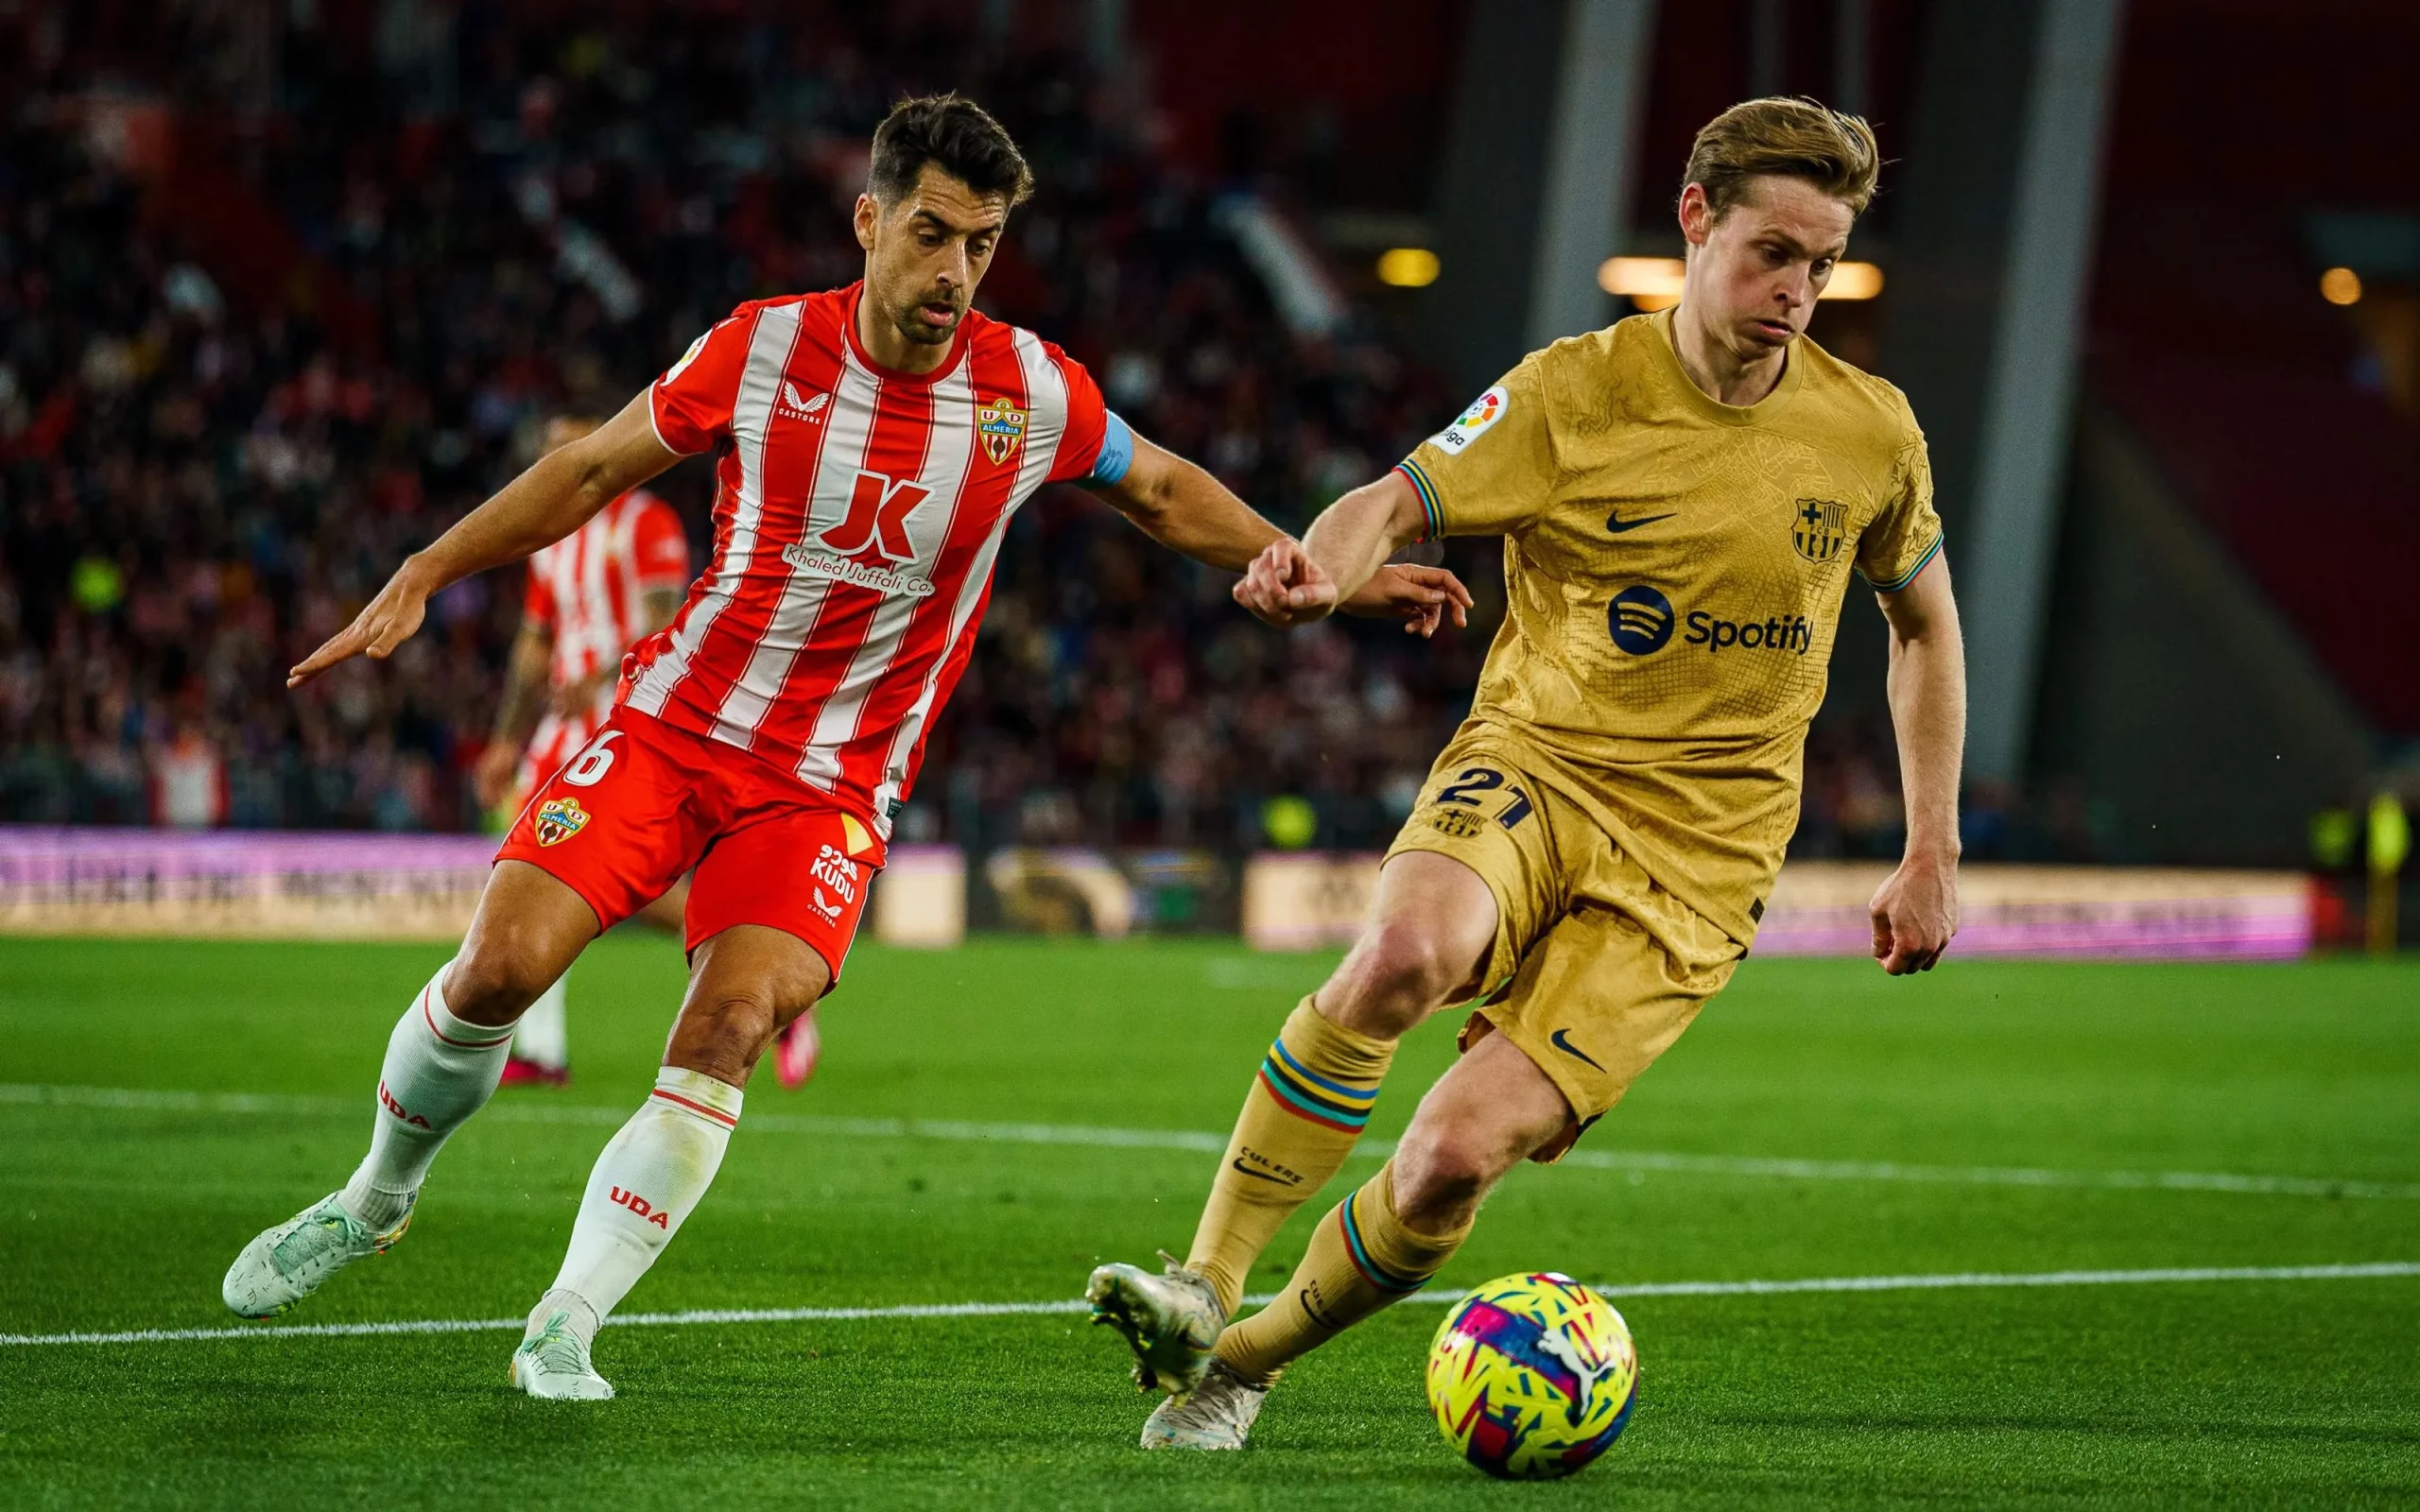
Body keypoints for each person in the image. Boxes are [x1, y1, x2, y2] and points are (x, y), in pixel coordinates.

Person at [218, 93, 1466, 1401]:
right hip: (670, 731)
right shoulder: (759, 351)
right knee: (498, 969)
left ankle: (567, 1322)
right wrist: (426, 568)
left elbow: (1159, 489)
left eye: (982, 245)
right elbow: (589, 470)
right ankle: (372, 1198)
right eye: (933, 234)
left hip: (825, 792)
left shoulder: (1029, 390)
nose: (955, 272)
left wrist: (1338, 568)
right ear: (869, 220)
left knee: (733, 1019)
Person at [1087, 96, 1966, 1451]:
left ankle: (1240, 1368)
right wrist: (1325, 569)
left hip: (1701, 858)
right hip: (1538, 762)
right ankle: (1202, 1284)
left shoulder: (1868, 435)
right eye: (1769, 252)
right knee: (1399, 954)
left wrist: (1931, 847)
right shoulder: (1570, 393)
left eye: (1822, 261)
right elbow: (1391, 497)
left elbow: (1922, 624)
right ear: (1693, 220)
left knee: (1449, 1160)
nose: (1795, 289)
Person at [469, 414, 692, 1088]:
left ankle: (741, 949)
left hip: (627, 717)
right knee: (533, 864)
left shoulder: (645, 523)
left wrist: (595, 680)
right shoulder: (551, 537)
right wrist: (506, 739)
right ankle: (540, 1049)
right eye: (546, 447)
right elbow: (535, 642)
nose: (554, 458)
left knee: (617, 884)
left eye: (568, 444)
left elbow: (667, 621)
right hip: (562, 728)